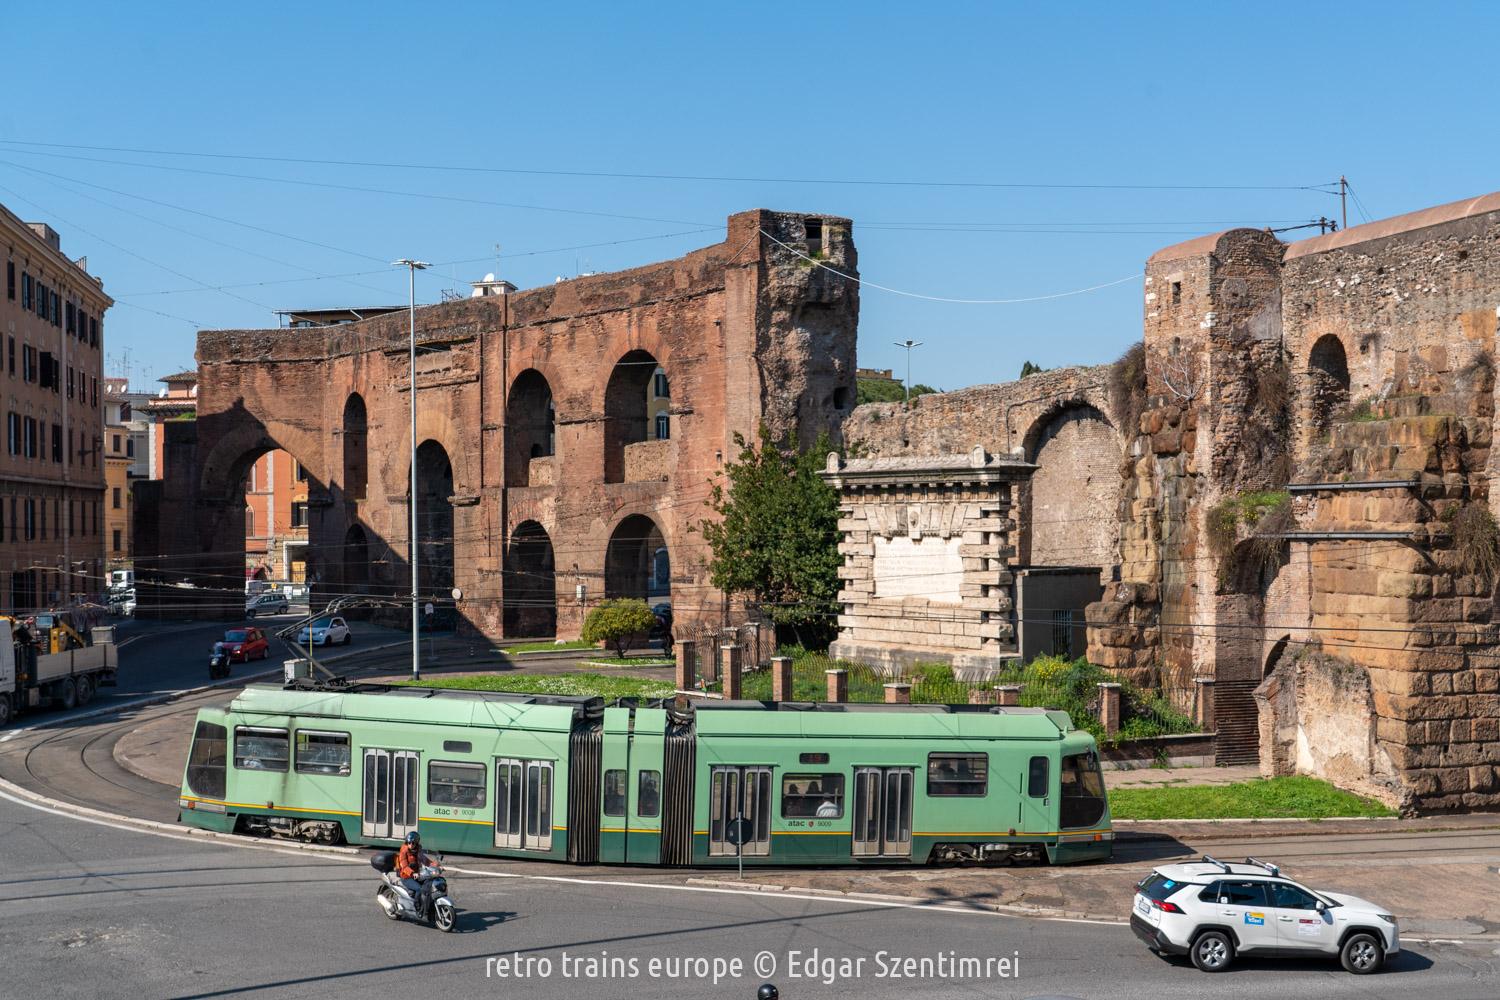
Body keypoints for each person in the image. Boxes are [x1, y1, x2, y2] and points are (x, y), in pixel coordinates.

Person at [396, 831, 435, 916]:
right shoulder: (404, 852)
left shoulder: (417, 850)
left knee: (428, 885)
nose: (411, 844)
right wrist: (413, 873)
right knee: (419, 889)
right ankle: (417, 909)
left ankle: (427, 906)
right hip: (406, 877)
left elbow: (425, 860)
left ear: (416, 843)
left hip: (417, 875)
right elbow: (404, 866)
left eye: (413, 843)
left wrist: (437, 866)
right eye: (409, 842)